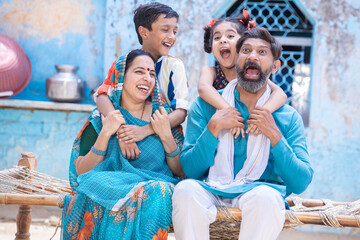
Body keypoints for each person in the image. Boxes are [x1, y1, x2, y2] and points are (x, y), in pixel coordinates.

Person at [172, 27, 313, 240]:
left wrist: (274, 134)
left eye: (262, 52)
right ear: (237, 60)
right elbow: (190, 170)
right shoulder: (205, 106)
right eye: (246, 50)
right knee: (186, 190)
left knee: (267, 197)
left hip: (257, 193)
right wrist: (213, 129)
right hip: (211, 189)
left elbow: (301, 182)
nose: (252, 56)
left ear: (275, 66)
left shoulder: (288, 116)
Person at [61, 49, 184, 240]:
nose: (147, 78)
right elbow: (82, 173)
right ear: (121, 78)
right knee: (94, 185)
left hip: (156, 189)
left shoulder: (162, 115)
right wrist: (106, 132)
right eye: (139, 72)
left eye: (152, 74)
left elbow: (181, 172)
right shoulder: (101, 117)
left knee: (157, 190)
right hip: (111, 185)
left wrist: (165, 135)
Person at [95, 2, 188, 160]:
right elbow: (102, 95)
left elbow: (181, 112)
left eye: (175, 31)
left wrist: (145, 130)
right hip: (125, 131)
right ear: (144, 32)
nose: (172, 37)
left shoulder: (174, 66)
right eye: (165, 30)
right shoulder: (125, 62)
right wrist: (123, 131)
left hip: (160, 136)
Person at [198, 9, 287, 137]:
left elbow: (280, 94)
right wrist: (228, 111)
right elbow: (203, 88)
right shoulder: (210, 71)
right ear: (212, 48)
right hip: (219, 128)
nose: (223, 40)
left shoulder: (249, 74)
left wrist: (264, 113)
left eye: (230, 36)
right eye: (217, 37)